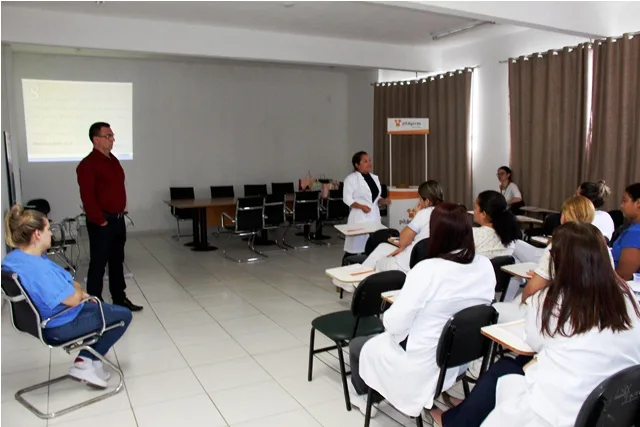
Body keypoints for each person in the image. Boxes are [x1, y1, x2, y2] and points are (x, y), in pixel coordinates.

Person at [431, 222, 640, 427]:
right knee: (516, 364)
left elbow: (532, 341)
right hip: (615, 404)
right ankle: (464, 412)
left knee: (505, 368)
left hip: (561, 410)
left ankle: (457, 421)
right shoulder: (626, 295)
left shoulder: (551, 301)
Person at [346, 203, 496, 418]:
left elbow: (395, 323)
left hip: (424, 361)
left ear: (436, 233)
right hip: (461, 358)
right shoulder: (484, 265)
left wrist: (394, 317)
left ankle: (366, 396)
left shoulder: (427, 270)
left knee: (359, 345)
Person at [2, 205, 133, 389]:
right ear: (37, 234)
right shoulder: (40, 269)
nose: (51, 234)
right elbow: (72, 297)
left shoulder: (15, 259)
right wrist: (78, 288)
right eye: (48, 230)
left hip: (46, 319)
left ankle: (93, 363)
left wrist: (79, 292)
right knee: (123, 315)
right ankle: (85, 361)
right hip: (59, 324)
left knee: (101, 307)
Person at [76, 122, 142, 311]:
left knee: (117, 261)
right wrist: (101, 220)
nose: (113, 139)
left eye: (112, 136)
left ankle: (119, 298)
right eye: (109, 136)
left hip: (118, 220)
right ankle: (95, 304)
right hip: (101, 222)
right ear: (96, 139)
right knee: (98, 263)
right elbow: (88, 198)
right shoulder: (88, 165)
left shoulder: (113, 160)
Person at [341, 151, 390, 260]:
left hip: (374, 217)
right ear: (357, 165)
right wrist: (361, 206)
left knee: (373, 247)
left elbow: (375, 199)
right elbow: (347, 198)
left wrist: (383, 201)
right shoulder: (351, 179)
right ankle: (345, 267)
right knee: (355, 250)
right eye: (365, 161)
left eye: (369, 160)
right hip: (359, 217)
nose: (369, 163)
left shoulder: (374, 178)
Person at [472, 191, 520, 258]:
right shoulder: (510, 237)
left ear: (483, 214)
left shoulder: (473, 234)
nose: (473, 211)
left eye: (475, 207)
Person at [613, 183, 640, 279]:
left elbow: (624, 275)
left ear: (638, 203)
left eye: (625, 201)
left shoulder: (636, 233)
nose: (621, 206)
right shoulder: (633, 226)